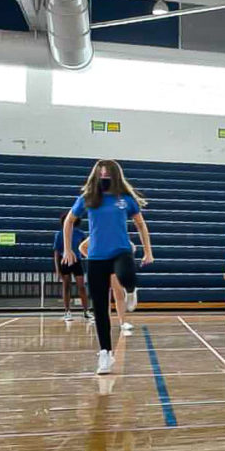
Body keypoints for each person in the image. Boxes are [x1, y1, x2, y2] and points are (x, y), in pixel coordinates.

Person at [62, 160, 153, 374]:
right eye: (100, 172)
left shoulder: (125, 199)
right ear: (96, 175)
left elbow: (140, 224)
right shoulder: (88, 199)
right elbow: (68, 221)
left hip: (121, 251)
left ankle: (132, 290)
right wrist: (68, 249)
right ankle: (105, 353)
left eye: (107, 172)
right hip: (96, 257)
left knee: (127, 276)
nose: (104, 175)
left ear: (114, 175)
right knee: (100, 307)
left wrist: (148, 251)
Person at [80, 236, 132, 332]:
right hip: (100, 266)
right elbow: (82, 247)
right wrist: (92, 258)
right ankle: (104, 322)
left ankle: (122, 322)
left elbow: (132, 247)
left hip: (114, 266)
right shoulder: (96, 234)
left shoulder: (117, 234)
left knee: (119, 293)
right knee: (104, 296)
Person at [53, 211, 90, 322]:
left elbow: (86, 246)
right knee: (66, 286)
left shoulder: (80, 233)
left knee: (81, 287)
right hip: (64, 261)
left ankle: (86, 311)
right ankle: (67, 311)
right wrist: (57, 269)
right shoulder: (59, 234)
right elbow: (56, 253)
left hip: (77, 261)